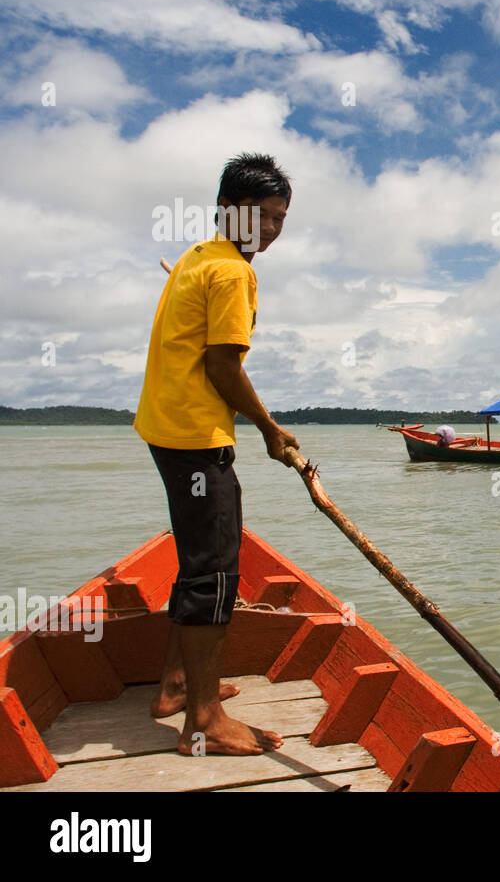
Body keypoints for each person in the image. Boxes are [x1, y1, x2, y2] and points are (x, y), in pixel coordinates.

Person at [134, 153, 298, 756]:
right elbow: (221, 365)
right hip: (197, 440)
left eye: (281, 219)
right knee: (216, 575)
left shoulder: (197, 257)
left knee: (196, 562)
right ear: (228, 210)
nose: (273, 230)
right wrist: (269, 429)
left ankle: (176, 685)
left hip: (165, 428)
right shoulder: (231, 272)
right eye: (263, 217)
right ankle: (202, 720)